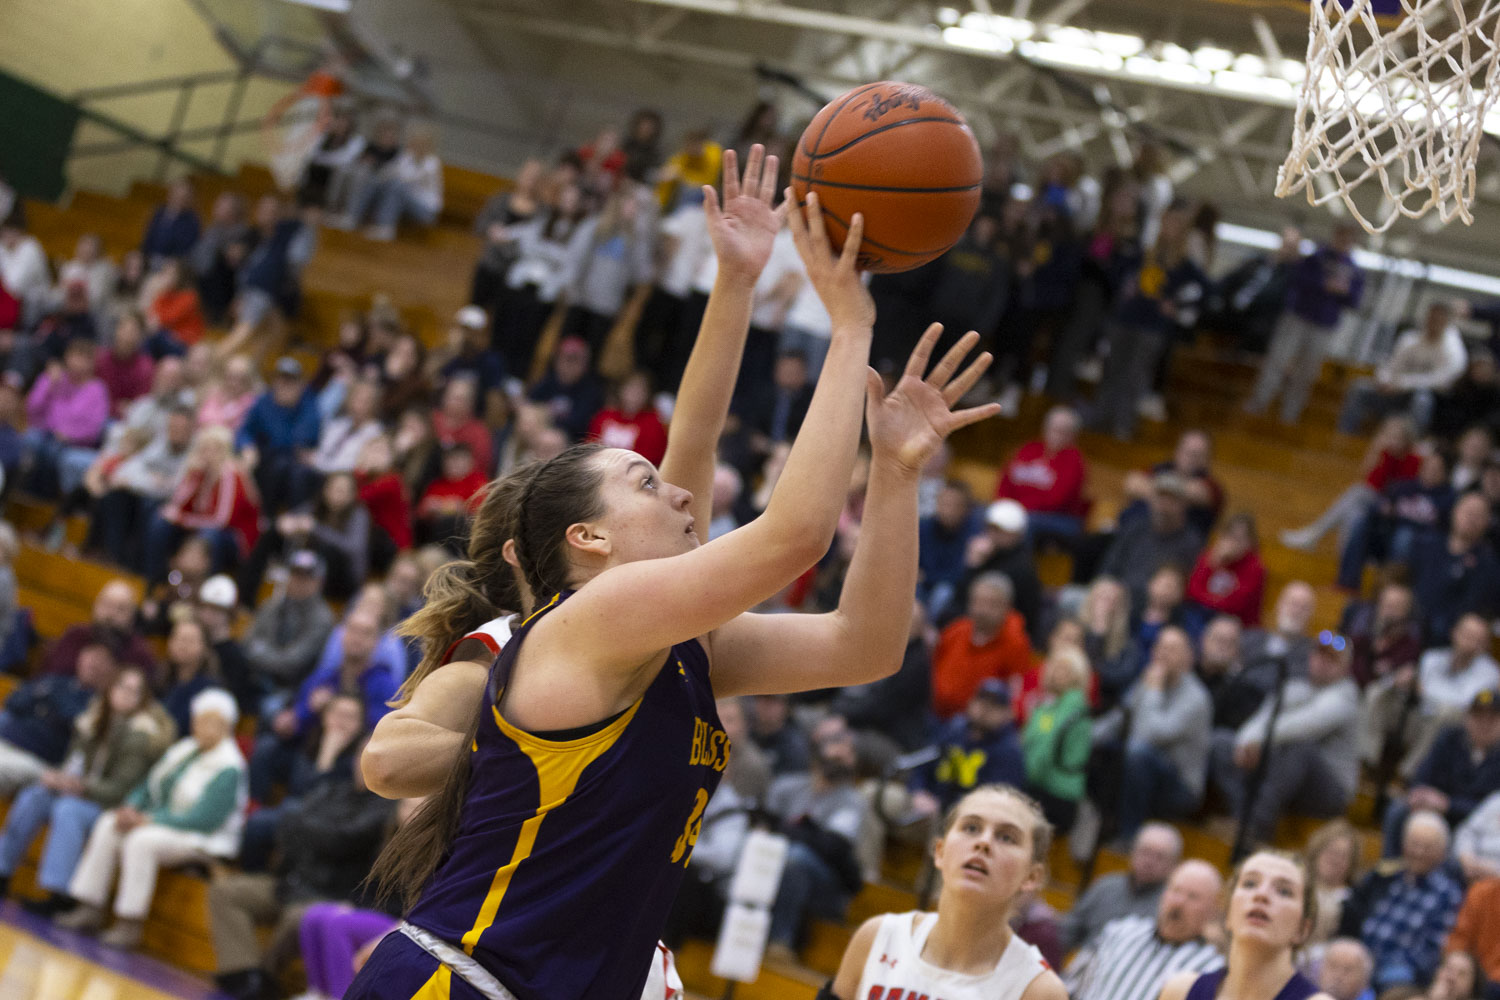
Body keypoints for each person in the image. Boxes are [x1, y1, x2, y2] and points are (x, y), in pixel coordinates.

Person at [349, 161, 1000, 1000]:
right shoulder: (594, 617)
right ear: (585, 539)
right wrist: (847, 331)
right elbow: (797, 534)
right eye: (645, 484)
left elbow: (866, 644)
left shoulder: (674, 640)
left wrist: (898, 474)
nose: (682, 488)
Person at [825, 785, 1068, 1000]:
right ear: (939, 851)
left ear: (1031, 877)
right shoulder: (877, 937)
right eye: (971, 827)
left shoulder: (1038, 990)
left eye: (1006, 837)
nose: (983, 842)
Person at [59, 688, 247, 950]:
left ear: (226, 727)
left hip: (201, 838)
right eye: (197, 719)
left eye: (209, 722)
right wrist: (132, 807)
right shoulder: (186, 748)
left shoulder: (231, 766)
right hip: (159, 822)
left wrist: (148, 820)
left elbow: (203, 819)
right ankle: (89, 905)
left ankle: (129, 923)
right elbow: (148, 785)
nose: (199, 727)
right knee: (109, 822)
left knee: (142, 840)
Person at [0, 667, 172, 913]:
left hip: (109, 804)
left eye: (134, 692)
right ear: (111, 688)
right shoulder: (93, 719)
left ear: (142, 700)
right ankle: (3, 871)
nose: (125, 695)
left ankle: (59, 893)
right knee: (36, 795)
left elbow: (122, 788)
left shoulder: (142, 735)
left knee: (68, 810)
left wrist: (82, 787)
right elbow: (74, 761)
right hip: (80, 791)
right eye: (122, 687)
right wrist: (60, 778)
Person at [1213, 630, 1360, 848]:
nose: (1322, 662)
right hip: (1285, 779)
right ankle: (1242, 818)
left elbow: (1304, 726)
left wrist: (1256, 741)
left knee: (1297, 748)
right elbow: (1260, 720)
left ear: (1345, 668)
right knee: (1221, 742)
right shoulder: (1296, 687)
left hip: (1329, 790)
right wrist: (1245, 743)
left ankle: (1257, 828)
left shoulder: (1346, 695)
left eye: (1332, 660)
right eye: (1319, 655)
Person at [765, 724, 876, 957]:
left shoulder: (853, 801)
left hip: (829, 886)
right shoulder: (788, 786)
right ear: (818, 753)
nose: (842, 758)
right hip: (774, 864)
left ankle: (780, 942)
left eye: (849, 755)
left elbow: (833, 847)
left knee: (796, 858)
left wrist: (789, 829)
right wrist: (804, 831)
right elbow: (763, 825)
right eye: (837, 751)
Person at [1157, 851, 1323, 1000]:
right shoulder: (1180, 991)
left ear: (1302, 930)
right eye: (1250, 884)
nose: (1261, 894)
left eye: (1284, 891)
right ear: (1228, 913)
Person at [1246, 223, 1365, 425]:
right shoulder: (1315, 257)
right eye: (1341, 236)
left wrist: (1342, 292)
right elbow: (1297, 279)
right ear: (1335, 235)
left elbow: (1355, 301)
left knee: (1307, 372)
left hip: (1324, 325)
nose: (1343, 242)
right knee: (1278, 361)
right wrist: (1323, 284)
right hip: (1298, 317)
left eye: (1348, 238)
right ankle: (1258, 404)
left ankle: (1290, 415)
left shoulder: (1354, 270)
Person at [1339, 810, 1463, 992]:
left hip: (1399, 973)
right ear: (1403, 844)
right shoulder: (1384, 876)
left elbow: (1433, 951)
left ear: (1442, 853)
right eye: (1414, 844)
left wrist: (1385, 967)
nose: (1418, 852)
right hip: (1359, 957)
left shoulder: (1448, 894)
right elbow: (1354, 912)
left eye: (1427, 847)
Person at [1065, 861, 1226, 1000]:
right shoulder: (1119, 931)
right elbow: (1071, 984)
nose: (1178, 902)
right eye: (1175, 890)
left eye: (1193, 897)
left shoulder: (1211, 967)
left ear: (1213, 910)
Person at [1380, 689, 1500, 856]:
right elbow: (1422, 775)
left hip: (1474, 826)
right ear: (1467, 718)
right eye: (1478, 716)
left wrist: (1448, 804)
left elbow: (1491, 810)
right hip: (1433, 811)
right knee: (1398, 809)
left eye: (1492, 719)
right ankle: (1389, 871)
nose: (1484, 724)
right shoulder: (1450, 738)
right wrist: (1423, 796)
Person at [1282, 416, 1420, 553]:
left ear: (1407, 440)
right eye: (1389, 436)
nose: (1392, 441)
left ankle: (1313, 534)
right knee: (1353, 513)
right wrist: (1376, 452)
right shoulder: (1386, 454)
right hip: (1376, 502)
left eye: (1397, 437)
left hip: (1396, 509)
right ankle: (1343, 557)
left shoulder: (1414, 460)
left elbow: (1397, 491)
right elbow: (1370, 480)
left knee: (1357, 492)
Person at [0, 641, 121, 795]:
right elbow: (14, 701)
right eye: (90, 654)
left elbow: (72, 719)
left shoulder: (100, 705)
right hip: (6, 742)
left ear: (112, 669)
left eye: (101, 659)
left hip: (37, 761)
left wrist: (48, 697)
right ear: (81, 656)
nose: (93, 662)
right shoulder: (58, 681)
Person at [1339, 302, 1467, 434]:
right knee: (1360, 387)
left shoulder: (1453, 348)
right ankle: (1343, 436)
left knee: (1422, 399)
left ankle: (1411, 445)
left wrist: (1403, 384)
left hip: (1430, 401)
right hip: (1394, 392)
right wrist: (1384, 379)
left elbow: (1441, 381)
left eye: (1438, 319)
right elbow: (1390, 365)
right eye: (1431, 317)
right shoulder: (1409, 339)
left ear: (1447, 322)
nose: (1433, 322)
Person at [1061, 823, 1183, 954]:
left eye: (1159, 857)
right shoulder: (1106, 885)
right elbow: (1068, 931)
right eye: (1145, 852)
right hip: (1083, 966)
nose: (1149, 862)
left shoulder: (1170, 905)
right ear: (1133, 852)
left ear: (1173, 865)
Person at [913, 678, 1027, 817]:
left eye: (994, 705)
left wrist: (944, 806)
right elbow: (920, 764)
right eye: (981, 701)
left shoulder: (1009, 752)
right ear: (971, 702)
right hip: (925, 802)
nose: (985, 709)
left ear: (1007, 714)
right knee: (882, 795)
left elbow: (994, 802)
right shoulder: (953, 729)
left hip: (962, 818)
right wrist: (918, 791)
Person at [1095, 471, 1205, 610]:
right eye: (1160, 497)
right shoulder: (1135, 527)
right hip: (1116, 598)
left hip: (1157, 608)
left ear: (1183, 505)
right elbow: (1109, 567)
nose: (1164, 504)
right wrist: (1107, 587)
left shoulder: (1192, 542)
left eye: (1171, 499)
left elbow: (1185, 590)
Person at [931, 572, 1033, 719]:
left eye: (991, 604)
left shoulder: (1016, 644)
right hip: (934, 714)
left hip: (975, 726)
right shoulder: (957, 630)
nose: (981, 610)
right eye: (977, 601)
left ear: (1006, 607)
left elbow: (1016, 693)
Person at [241, 550, 336, 693]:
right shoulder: (272, 605)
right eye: (295, 574)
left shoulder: (322, 619)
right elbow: (247, 643)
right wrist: (273, 657)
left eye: (306, 577)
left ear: (319, 582)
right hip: (259, 679)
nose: (298, 581)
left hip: (296, 689)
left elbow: (292, 663)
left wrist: (262, 652)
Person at [1021, 644, 1093, 832]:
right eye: (1054, 666)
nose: (1056, 672)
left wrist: (1019, 782)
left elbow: (1044, 750)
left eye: (1065, 669)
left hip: (1056, 795)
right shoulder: (1047, 704)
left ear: (1078, 675)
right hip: (1038, 787)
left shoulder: (1073, 707)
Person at [995, 406, 1090, 545]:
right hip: (1021, 511)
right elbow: (1005, 483)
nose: (1056, 435)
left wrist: (1018, 511)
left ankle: (1015, 566)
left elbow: (1057, 500)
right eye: (1053, 429)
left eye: (1063, 431)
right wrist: (1004, 507)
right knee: (982, 515)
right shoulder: (1028, 449)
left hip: (1060, 519)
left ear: (1073, 435)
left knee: (1025, 524)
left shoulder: (1075, 460)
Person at [1187, 512, 1267, 626]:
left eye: (1240, 538)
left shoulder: (1255, 568)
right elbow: (1191, 591)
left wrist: (1206, 600)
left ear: (1250, 542)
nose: (1234, 543)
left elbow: (1235, 605)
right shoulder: (1211, 556)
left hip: (1238, 625)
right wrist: (1211, 565)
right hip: (1203, 616)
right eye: (1231, 536)